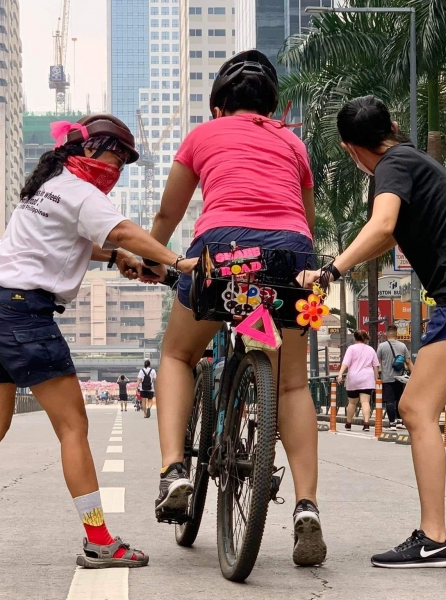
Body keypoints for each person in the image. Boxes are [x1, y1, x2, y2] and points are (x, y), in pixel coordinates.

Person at [0, 113, 197, 571]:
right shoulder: (81, 192)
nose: (119, 168)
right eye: (117, 156)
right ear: (90, 151)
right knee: (73, 427)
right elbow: (125, 230)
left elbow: (74, 242)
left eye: (127, 162)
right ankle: (100, 541)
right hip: (20, 312)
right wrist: (177, 262)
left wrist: (115, 257)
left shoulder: (49, 185)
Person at [300, 95, 446, 568]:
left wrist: (330, 272)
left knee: (414, 407)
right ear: (393, 125)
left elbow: (382, 227)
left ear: (349, 148)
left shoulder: (391, 165)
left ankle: (432, 537)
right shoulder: (413, 158)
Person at [144, 50, 326, 566]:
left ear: (220, 104)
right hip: (290, 255)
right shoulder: (292, 143)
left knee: (178, 356)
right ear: (271, 105)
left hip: (222, 251)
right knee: (291, 382)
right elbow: (305, 223)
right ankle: (307, 507)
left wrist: (155, 259)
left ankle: (175, 470)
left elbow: (168, 212)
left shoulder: (204, 135)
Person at [338, 330, 379, 432]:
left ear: (354, 338)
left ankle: (348, 423)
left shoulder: (351, 348)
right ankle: (366, 423)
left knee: (352, 402)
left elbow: (346, 362)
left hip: (354, 378)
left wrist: (340, 374)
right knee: (365, 401)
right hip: (367, 378)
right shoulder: (371, 349)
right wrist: (376, 378)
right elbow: (375, 366)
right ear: (364, 338)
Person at [377, 324, 414, 430]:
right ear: (396, 334)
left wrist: (376, 376)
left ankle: (392, 423)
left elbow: (376, 362)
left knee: (389, 401)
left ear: (386, 334)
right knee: (399, 399)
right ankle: (399, 422)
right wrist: (415, 374)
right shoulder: (402, 346)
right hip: (400, 377)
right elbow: (408, 361)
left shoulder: (382, 346)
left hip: (387, 377)